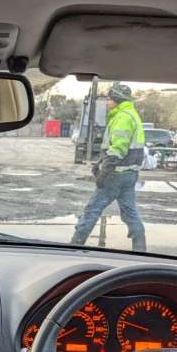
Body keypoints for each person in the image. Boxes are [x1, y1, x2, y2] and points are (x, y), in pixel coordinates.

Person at [71, 83, 147, 251]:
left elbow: (119, 148)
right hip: (130, 174)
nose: (107, 102)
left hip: (116, 174)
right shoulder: (131, 114)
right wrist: (100, 163)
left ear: (117, 100)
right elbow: (117, 146)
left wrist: (105, 171)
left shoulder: (122, 117)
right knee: (130, 212)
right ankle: (140, 248)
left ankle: (75, 245)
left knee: (93, 209)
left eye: (109, 99)